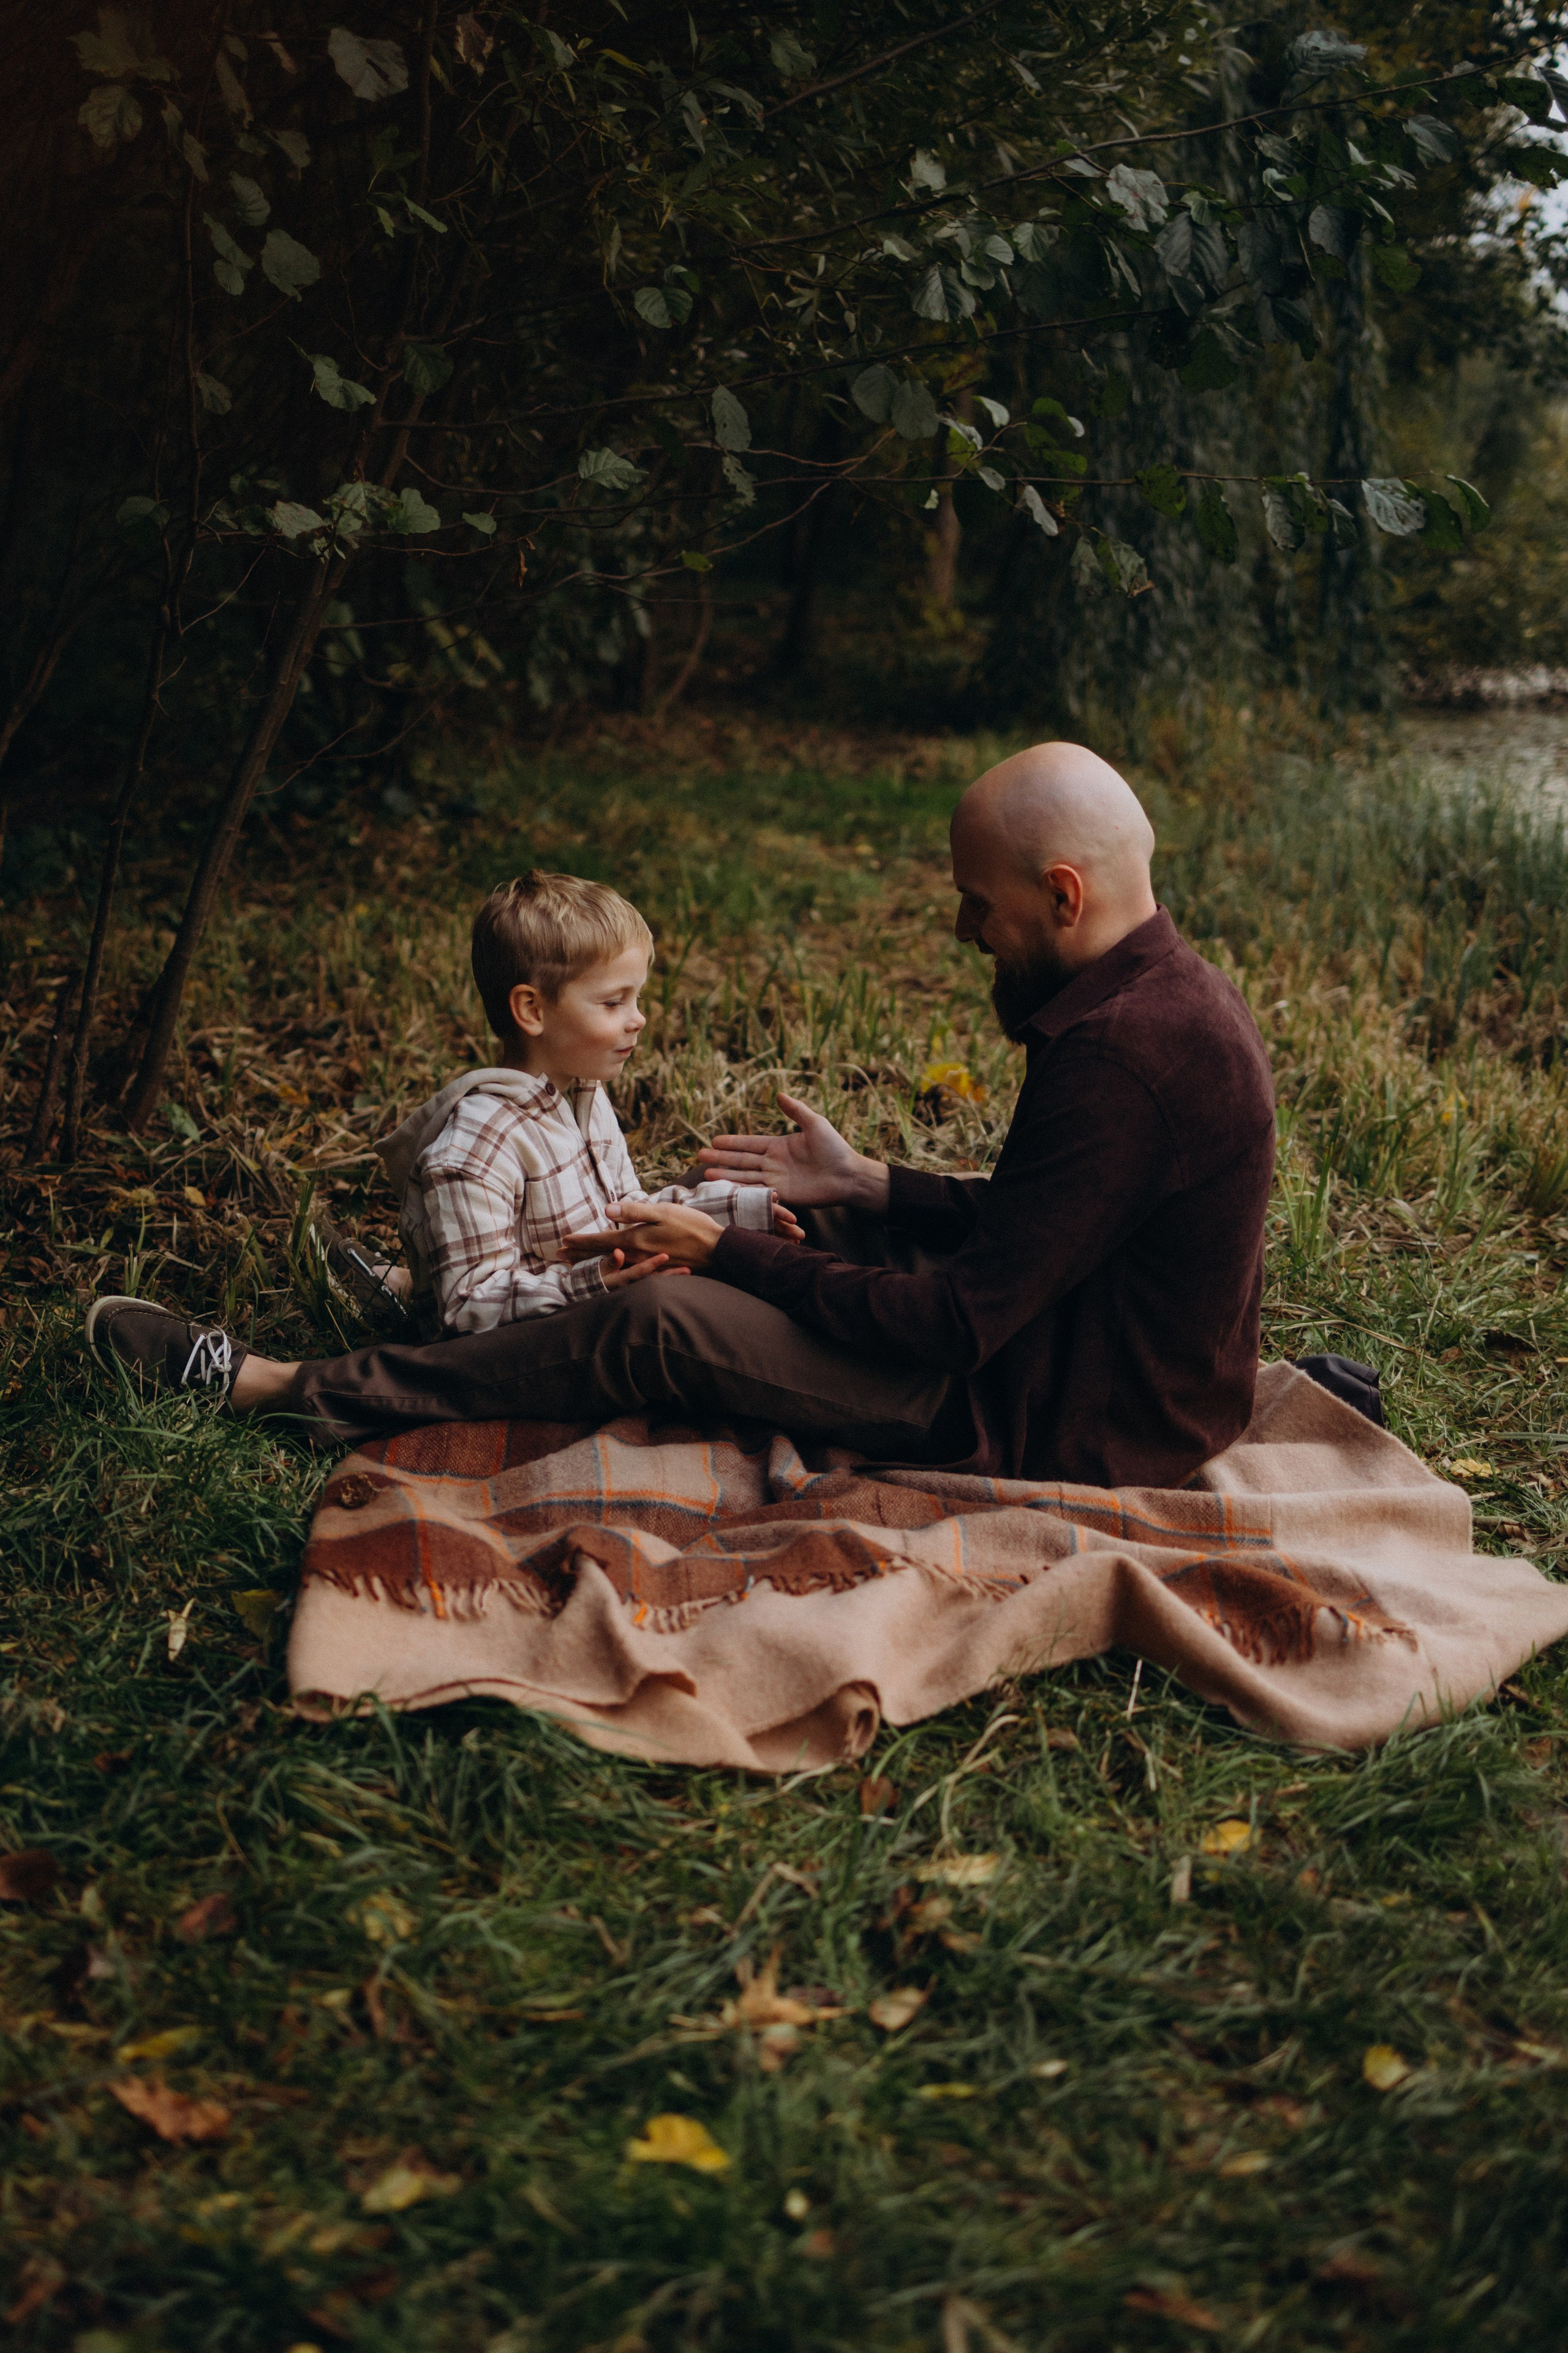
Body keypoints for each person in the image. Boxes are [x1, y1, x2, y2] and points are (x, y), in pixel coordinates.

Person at [85, 742, 1276, 1489]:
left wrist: (728, 1254)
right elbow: (1049, 1220)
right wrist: (870, 1189)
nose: (968, 935)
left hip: (1051, 1409)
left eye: (979, 906)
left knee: (654, 1315)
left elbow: (952, 1328)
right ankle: (430, 1335)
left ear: (1060, 894)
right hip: (1067, 1343)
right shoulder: (1159, 999)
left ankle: (285, 1387)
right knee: (808, 1236)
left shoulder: (1117, 1056)